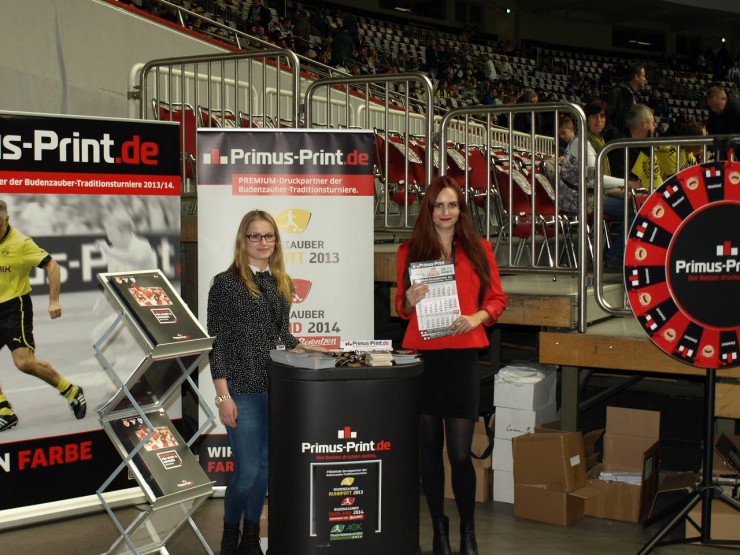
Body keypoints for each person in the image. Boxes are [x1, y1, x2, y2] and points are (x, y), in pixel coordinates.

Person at [395, 177, 507, 555]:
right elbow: (401, 308)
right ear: (428, 210)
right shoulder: (410, 251)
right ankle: (439, 530)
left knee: (460, 455)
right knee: (428, 451)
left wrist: (478, 317)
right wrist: (409, 300)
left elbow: (497, 299)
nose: (446, 212)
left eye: (453, 205)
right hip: (423, 358)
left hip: (461, 357)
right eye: (439, 205)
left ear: (462, 209)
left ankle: (468, 533)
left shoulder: (479, 249)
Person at [207, 210, 327, 555]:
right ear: (242, 241)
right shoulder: (225, 283)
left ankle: (249, 535)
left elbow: (279, 334)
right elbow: (217, 341)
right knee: (246, 473)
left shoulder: (280, 282)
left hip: (275, 388)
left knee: (265, 472)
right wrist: (222, 396)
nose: (263, 243)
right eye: (255, 236)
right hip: (241, 390)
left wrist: (305, 347)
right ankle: (230, 533)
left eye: (269, 236)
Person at [0, 199, 86, 432]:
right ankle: (4, 411)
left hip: (13, 307)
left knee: (24, 363)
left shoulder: (21, 243)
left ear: (7, 220)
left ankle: (71, 390)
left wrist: (54, 300)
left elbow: (52, 266)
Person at [558, 100, 642, 271]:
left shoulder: (594, 141)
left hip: (586, 194)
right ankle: (615, 257)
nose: (598, 120)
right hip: (578, 199)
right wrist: (628, 183)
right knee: (637, 209)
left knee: (635, 206)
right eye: (594, 116)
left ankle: (614, 255)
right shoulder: (582, 142)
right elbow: (595, 179)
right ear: (586, 119)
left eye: (602, 116)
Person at [605, 63, 647, 136]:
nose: (645, 79)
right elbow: (606, 118)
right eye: (643, 76)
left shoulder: (638, 98)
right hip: (617, 142)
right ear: (636, 77)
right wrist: (617, 136)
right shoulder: (616, 93)